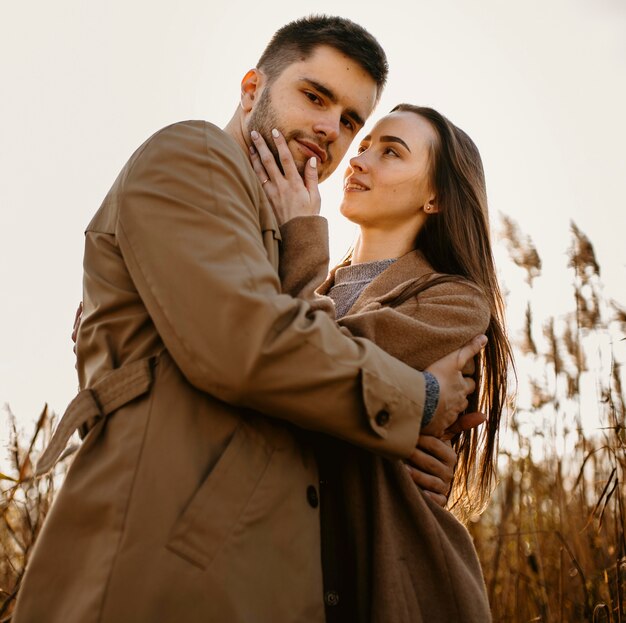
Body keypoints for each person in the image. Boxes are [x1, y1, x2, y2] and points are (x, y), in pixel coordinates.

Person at [12, 17, 487, 623]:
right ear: (251, 89)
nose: (334, 135)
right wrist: (420, 398)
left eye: (351, 123)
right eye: (315, 97)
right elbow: (264, 349)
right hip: (169, 563)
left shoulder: (283, 240)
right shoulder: (199, 155)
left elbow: (301, 360)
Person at [249, 103, 513, 621]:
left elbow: (312, 362)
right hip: (283, 572)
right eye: (365, 145)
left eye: (390, 152)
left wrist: (302, 229)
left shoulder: (455, 302)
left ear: (435, 196)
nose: (359, 159)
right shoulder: (310, 281)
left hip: (392, 579)